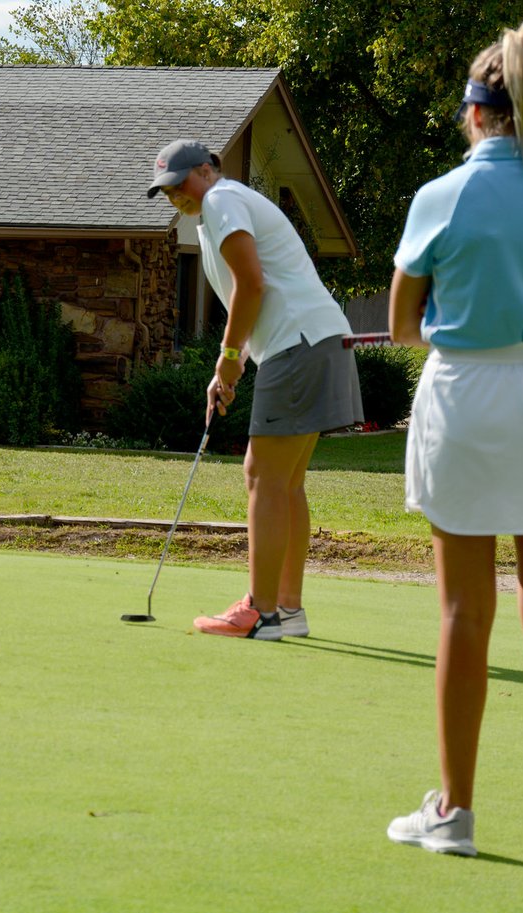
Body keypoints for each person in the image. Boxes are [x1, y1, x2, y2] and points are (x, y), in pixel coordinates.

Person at [386, 10, 523, 860]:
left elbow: (406, 322)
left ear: (477, 110)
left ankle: (456, 813)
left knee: (462, 613)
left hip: (467, 396)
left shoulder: (441, 196)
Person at [146, 139, 363, 641]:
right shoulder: (218, 213)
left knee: (262, 475)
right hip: (316, 339)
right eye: (167, 190)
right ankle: (287, 610)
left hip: (300, 343)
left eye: (181, 182)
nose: (176, 194)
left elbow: (252, 283)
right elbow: (255, 296)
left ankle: (261, 611)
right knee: (284, 482)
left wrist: (225, 357)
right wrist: (233, 364)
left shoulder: (222, 200)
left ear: (206, 170)